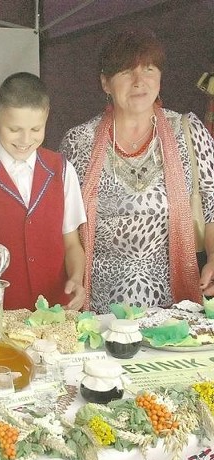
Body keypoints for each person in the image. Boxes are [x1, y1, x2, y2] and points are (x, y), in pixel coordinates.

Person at [59, 29, 214, 314]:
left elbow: (212, 205)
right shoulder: (78, 142)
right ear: (106, 82)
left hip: (174, 308)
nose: (139, 82)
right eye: (127, 72)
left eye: (149, 69)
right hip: (98, 308)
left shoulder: (188, 132)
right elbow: (64, 223)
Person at [0, 72, 86, 328]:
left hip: (56, 315)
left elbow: (71, 243)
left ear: (47, 117)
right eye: (15, 129)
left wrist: (77, 280)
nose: (26, 140)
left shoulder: (62, 169)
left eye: (36, 129)